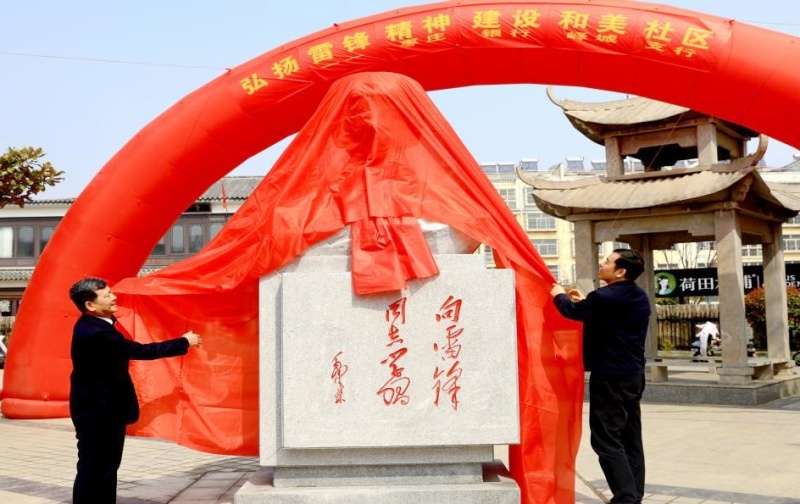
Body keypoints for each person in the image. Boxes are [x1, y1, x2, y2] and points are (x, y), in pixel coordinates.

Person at [68, 277, 201, 503]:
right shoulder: (96, 332)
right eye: (107, 295)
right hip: (98, 412)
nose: (114, 297)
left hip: (100, 409)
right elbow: (141, 351)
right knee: (97, 467)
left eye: (111, 292)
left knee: (103, 466)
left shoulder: (96, 324)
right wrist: (184, 341)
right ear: (90, 304)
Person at [550, 249, 651, 504]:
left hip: (610, 378)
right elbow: (607, 316)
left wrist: (558, 295)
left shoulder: (605, 297)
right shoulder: (638, 296)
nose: (602, 264)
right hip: (633, 376)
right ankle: (634, 494)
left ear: (620, 271)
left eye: (607, 261)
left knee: (605, 440)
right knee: (630, 438)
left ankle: (626, 498)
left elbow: (571, 312)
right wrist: (586, 302)